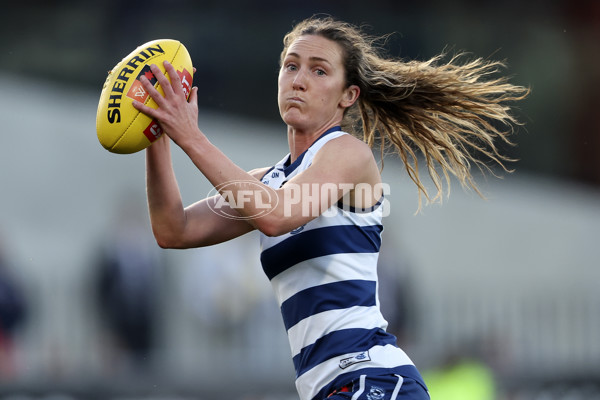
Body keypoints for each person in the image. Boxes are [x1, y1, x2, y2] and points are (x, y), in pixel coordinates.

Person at [132, 16, 528, 400]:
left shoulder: (346, 154)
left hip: (370, 377)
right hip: (329, 387)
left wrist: (190, 135)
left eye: (319, 71)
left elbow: (276, 216)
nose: (299, 80)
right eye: (291, 66)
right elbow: (174, 230)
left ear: (347, 96)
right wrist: (157, 133)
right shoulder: (266, 182)